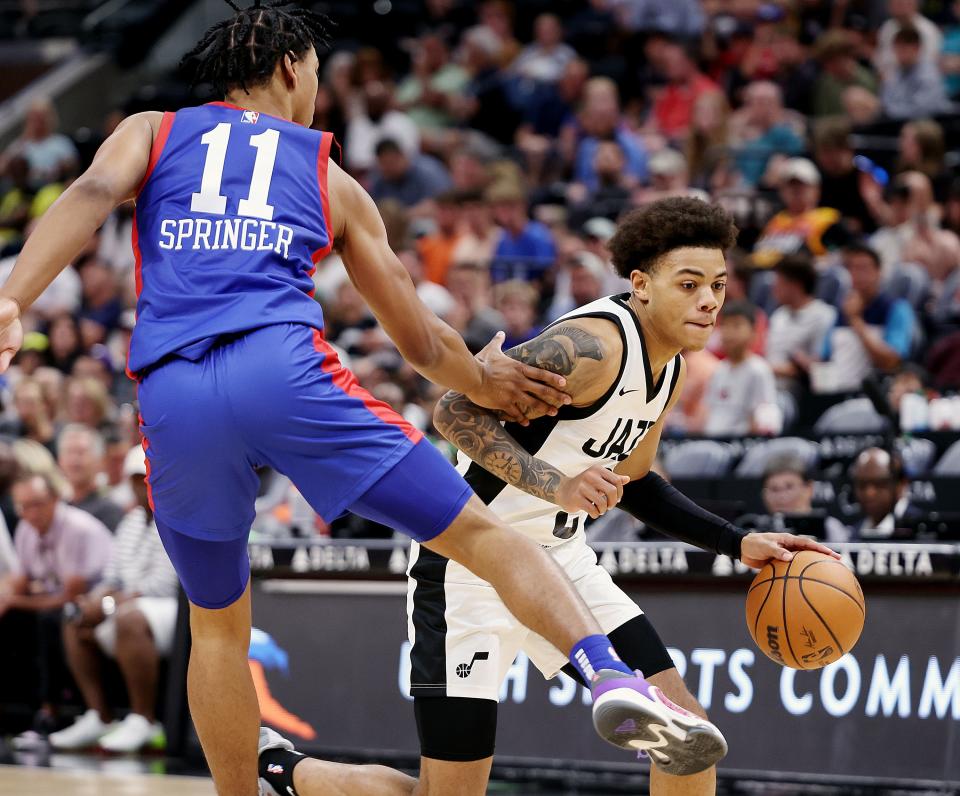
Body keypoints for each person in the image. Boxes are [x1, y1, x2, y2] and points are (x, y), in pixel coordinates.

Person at [0, 5, 722, 794]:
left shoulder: (150, 128)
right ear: (288, 70)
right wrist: (487, 381)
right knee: (485, 536)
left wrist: (13, 299)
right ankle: (608, 674)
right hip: (282, 372)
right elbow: (420, 341)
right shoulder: (326, 174)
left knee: (216, 628)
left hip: (173, 394)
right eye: (313, 71)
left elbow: (94, 188)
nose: (316, 88)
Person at [256, 198, 837, 796]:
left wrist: (736, 541)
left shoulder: (671, 368)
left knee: (686, 740)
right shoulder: (592, 346)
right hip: (470, 567)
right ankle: (282, 771)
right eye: (688, 284)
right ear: (641, 285)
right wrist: (557, 484)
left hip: (561, 565)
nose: (709, 299)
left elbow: (636, 481)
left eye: (717, 284)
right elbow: (455, 411)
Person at [49, 445, 179, 753]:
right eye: (134, 479)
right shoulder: (131, 521)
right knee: (75, 615)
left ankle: (143, 719)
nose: (139, 486)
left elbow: (164, 585)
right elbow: (113, 576)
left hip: (175, 611)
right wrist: (94, 601)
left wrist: (107, 604)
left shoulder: (176, 517)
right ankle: (98, 715)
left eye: (144, 478)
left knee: (129, 617)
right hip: (130, 604)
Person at [702, 300, 781, 437]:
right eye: (725, 326)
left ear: (753, 333)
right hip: (712, 439)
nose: (729, 332)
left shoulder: (759, 370)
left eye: (736, 326)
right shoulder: (719, 369)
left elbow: (764, 414)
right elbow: (709, 410)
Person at [766, 254, 837, 394]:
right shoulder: (778, 315)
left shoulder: (824, 315)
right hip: (768, 386)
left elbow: (820, 366)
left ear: (796, 285)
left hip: (798, 391)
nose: (774, 289)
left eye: (779, 283)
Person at [737, 454, 849, 542]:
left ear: (809, 488)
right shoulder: (756, 532)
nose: (782, 496)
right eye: (774, 489)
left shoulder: (829, 527)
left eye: (789, 487)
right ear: (763, 494)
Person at [57, 423, 125, 532]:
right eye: (69, 452)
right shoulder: (56, 509)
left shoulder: (109, 511)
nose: (74, 461)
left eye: (81, 453)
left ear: (99, 460)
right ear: (60, 461)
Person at [850, 447, 923, 540]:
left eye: (879, 484)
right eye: (861, 484)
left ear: (901, 484)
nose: (869, 493)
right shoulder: (854, 533)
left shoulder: (920, 529)